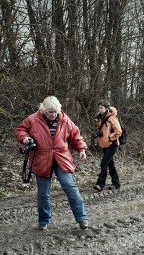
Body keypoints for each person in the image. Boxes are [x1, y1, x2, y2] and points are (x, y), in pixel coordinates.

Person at [15, 96, 89, 230]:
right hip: (42, 159)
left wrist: (81, 149)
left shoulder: (64, 119)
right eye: (50, 112)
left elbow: (75, 135)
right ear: (44, 110)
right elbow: (20, 130)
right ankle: (43, 221)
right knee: (43, 193)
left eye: (55, 112)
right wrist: (25, 138)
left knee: (69, 186)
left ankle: (82, 218)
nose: (53, 115)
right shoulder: (33, 119)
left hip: (61, 158)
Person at [93, 100, 122, 192]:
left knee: (104, 163)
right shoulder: (99, 118)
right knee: (111, 164)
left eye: (101, 108)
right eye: (99, 108)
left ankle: (100, 184)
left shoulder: (111, 118)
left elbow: (118, 131)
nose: (100, 109)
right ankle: (116, 183)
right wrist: (99, 134)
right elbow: (105, 130)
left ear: (106, 108)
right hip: (105, 144)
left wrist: (110, 138)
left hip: (112, 144)